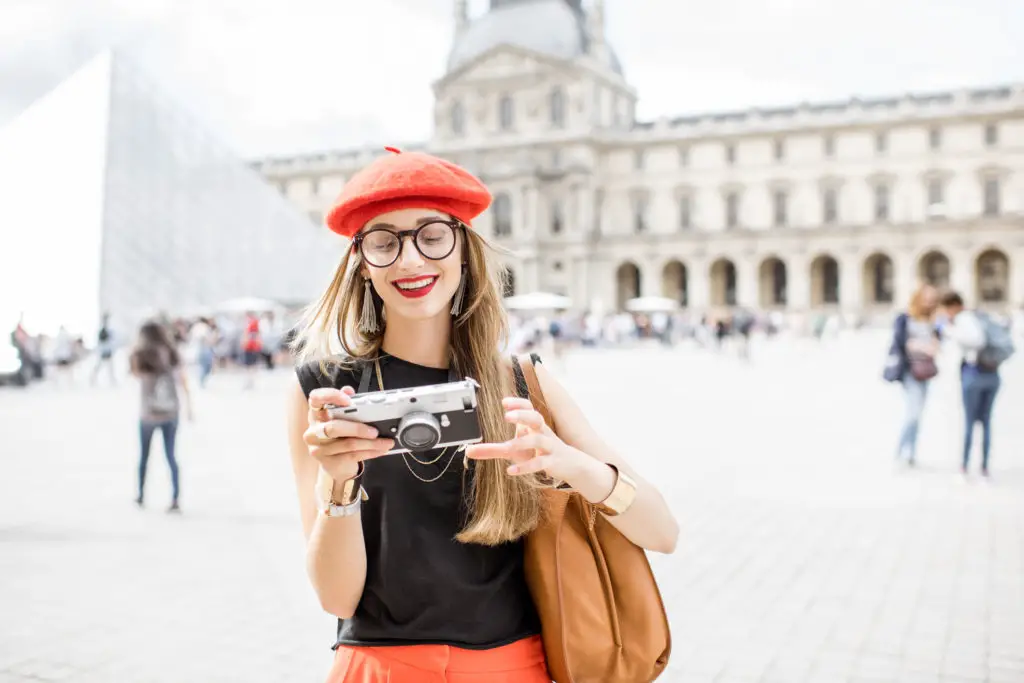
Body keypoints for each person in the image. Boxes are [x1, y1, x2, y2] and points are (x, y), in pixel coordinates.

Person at [286, 148, 679, 683]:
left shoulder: (523, 383)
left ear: (465, 250)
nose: (410, 260)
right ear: (361, 264)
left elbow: (662, 531)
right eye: (384, 242)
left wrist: (572, 466)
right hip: (377, 669)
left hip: (512, 668)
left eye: (432, 235)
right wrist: (339, 486)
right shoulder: (324, 392)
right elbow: (337, 596)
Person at [130, 321, 193, 511]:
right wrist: (190, 406)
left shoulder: (139, 355)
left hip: (148, 413)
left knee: (144, 457)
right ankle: (175, 498)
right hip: (171, 412)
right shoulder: (172, 353)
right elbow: (183, 380)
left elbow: (135, 375)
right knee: (171, 456)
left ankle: (141, 495)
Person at [938, 291, 1002, 477]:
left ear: (953, 306)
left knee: (969, 422)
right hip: (992, 374)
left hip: (974, 374)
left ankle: (964, 466)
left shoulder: (964, 319)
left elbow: (977, 340)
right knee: (986, 422)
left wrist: (949, 331)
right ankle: (984, 467)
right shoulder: (979, 316)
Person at [887, 284, 941, 466]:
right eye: (926, 298)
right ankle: (901, 452)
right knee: (913, 414)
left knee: (918, 413)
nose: (929, 302)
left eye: (932, 300)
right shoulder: (905, 318)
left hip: (925, 371)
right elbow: (901, 343)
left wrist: (928, 346)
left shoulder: (933, 320)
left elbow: (938, 344)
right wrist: (921, 346)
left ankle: (910, 453)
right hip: (909, 371)